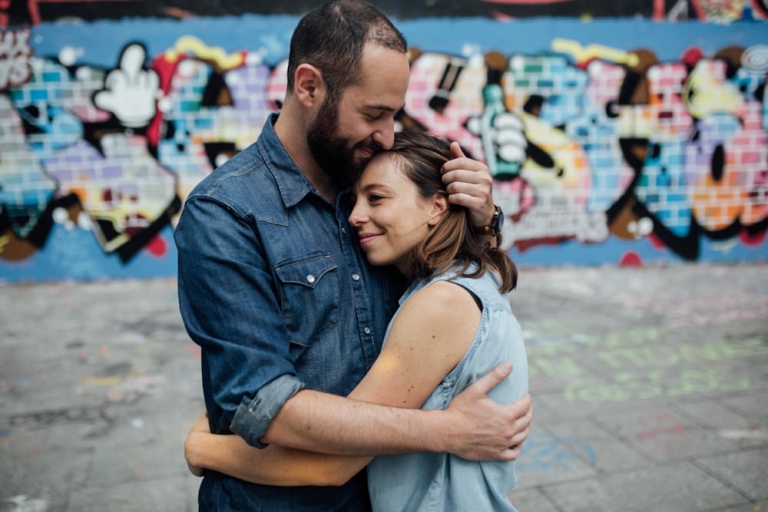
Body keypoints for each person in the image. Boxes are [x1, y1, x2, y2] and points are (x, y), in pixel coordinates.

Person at [174, 1, 532, 510]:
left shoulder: (372, 181)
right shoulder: (226, 213)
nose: (386, 134)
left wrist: (482, 219)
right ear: (309, 87)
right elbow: (267, 407)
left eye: (394, 114)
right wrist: (447, 430)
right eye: (373, 113)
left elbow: (455, 290)